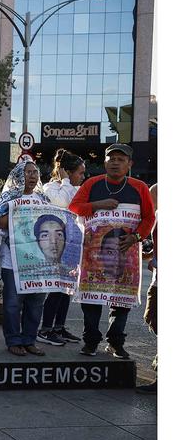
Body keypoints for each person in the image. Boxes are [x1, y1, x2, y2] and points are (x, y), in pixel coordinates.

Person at [69, 143, 155, 359]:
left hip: (126, 255)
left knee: (121, 300)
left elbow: (149, 217)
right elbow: (75, 207)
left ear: (129, 164)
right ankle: (90, 342)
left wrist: (136, 236)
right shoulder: (92, 184)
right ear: (104, 162)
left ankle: (116, 342)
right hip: (93, 255)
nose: (115, 162)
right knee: (91, 300)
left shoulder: (140, 187)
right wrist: (98, 204)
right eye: (111, 159)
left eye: (121, 159)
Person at [0, 160, 49, 357]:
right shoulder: (9, 197)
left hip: (38, 260)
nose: (32, 176)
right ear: (18, 176)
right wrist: (24, 212)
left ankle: (29, 340)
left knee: (36, 301)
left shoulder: (42, 198)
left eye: (35, 172)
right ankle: (14, 340)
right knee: (13, 302)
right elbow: (0, 222)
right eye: (28, 172)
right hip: (13, 259)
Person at [38, 149, 85, 345]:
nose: (83, 176)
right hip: (56, 245)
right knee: (56, 288)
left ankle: (59, 327)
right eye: (80, 173)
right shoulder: (51, 188)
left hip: (72, 245)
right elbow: (64, 202)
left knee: (67, 288)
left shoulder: (77, 188)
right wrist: (65, 181)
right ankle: (46, 329)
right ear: (67, 171)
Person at [137, 183, 157, 394]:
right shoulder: (156, 217)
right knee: (151, 318)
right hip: (157, 281)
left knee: (155, 319)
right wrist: (148, 257)